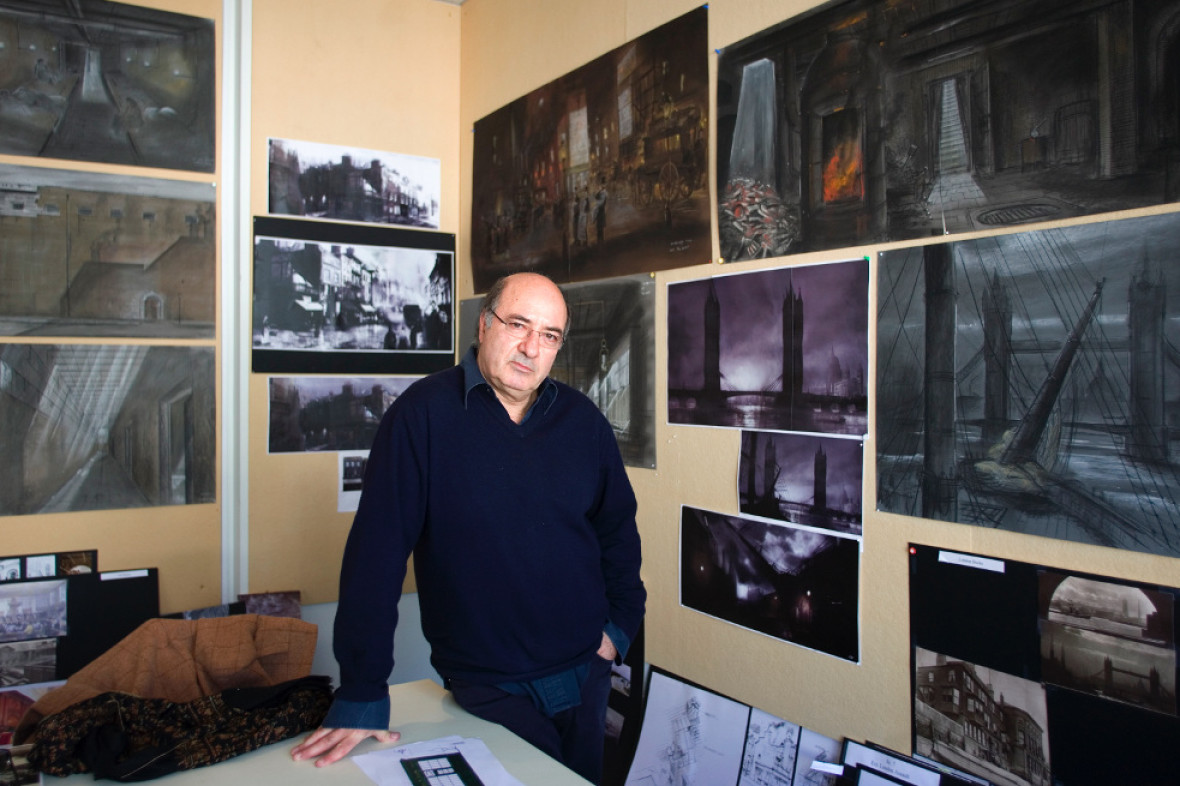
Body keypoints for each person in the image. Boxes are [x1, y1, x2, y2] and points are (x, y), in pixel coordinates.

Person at [291, 272, 645, 784]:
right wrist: (362, 693)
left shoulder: (583, 422)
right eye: (518, 324)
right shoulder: (420, 417)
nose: (530, 347)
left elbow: (617, 530)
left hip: (586, 671)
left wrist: (619, 628)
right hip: (488, 687)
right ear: (484, 325)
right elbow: (376, 557)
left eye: (549, 335)